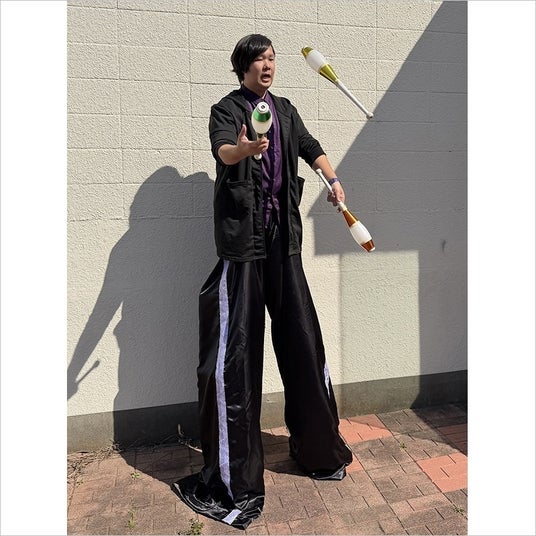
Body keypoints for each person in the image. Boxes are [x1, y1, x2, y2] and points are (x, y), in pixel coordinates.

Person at [172, 34, 353, 530]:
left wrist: (333, 179)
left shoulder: (286, 110)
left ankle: (319, 451)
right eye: (259, 58)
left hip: (282, 243)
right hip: (244, 249)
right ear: (243, 67)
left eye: (272, 58)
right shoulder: (226, 109)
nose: (268, 64)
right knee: (237, 358)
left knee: (302, 341)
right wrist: (245, 148)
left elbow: (310, 148)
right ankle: (236, 479)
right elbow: (224, 152)